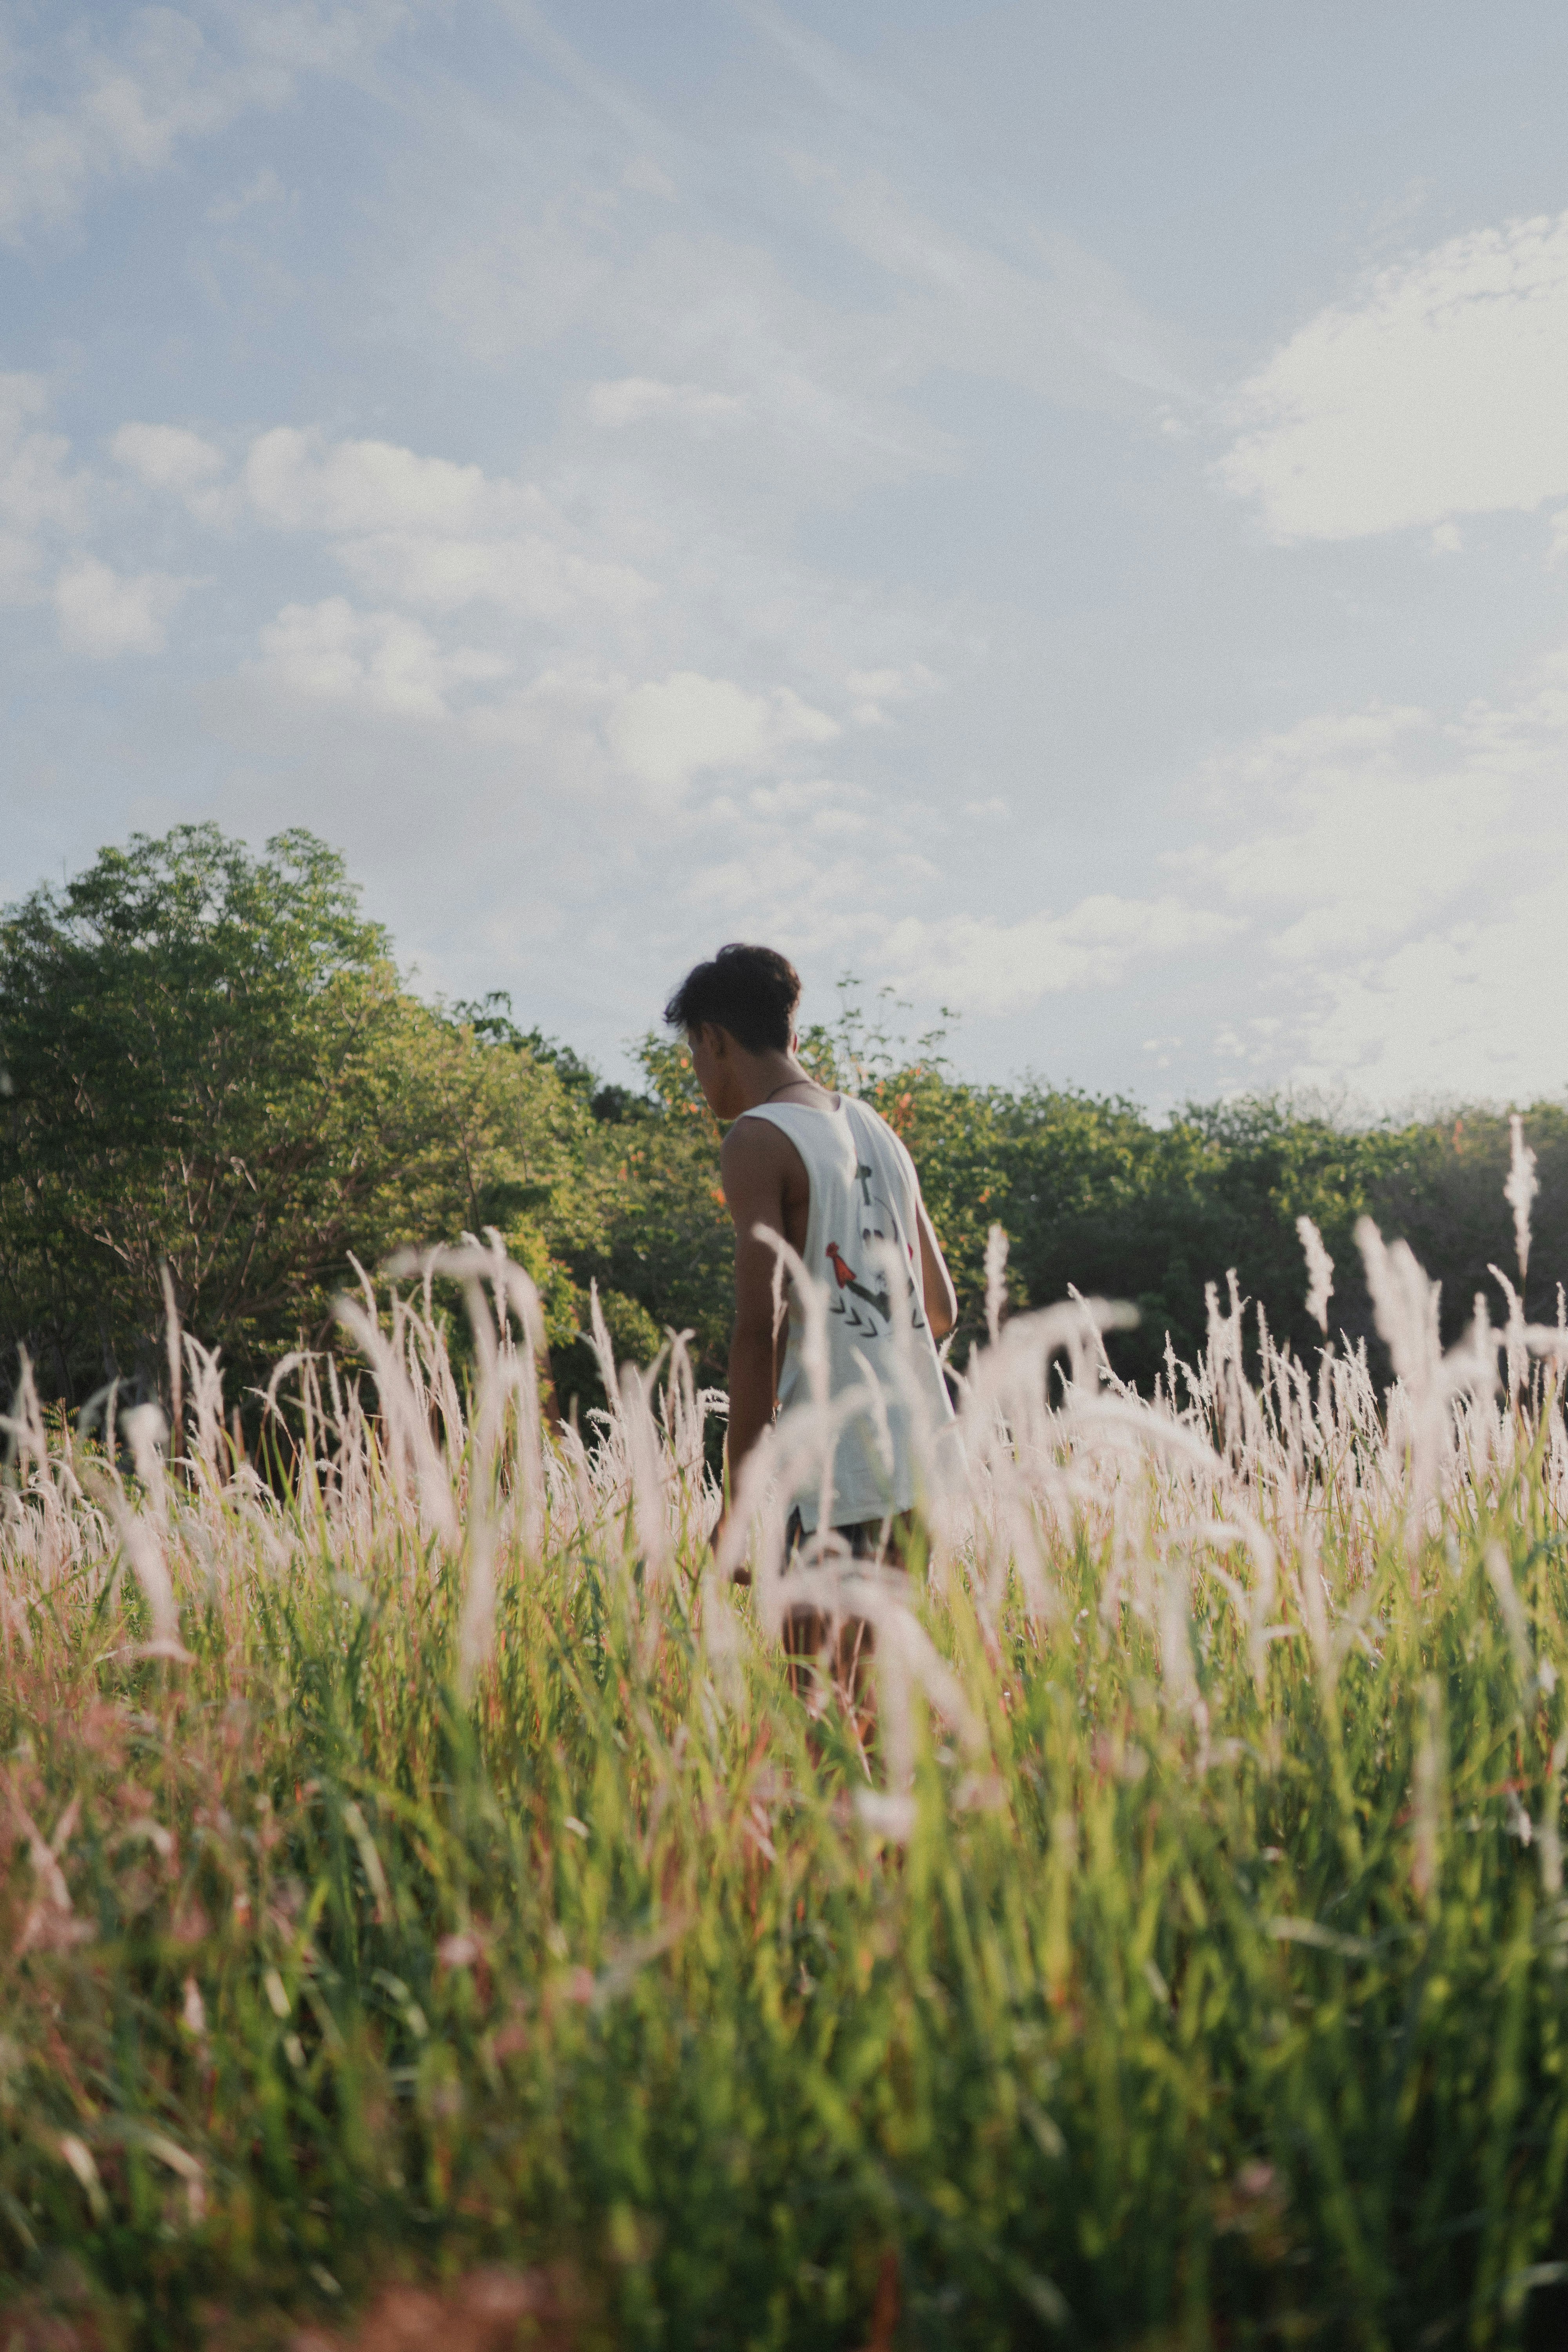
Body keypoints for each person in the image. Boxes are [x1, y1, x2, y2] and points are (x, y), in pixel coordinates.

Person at [664, 942, 958, 1680]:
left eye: (694, 1056)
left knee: (826, 1718)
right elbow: (942, 1309)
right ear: (792, 1033)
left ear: (713, 1040)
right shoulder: (878, 1130)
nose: (699, 1077)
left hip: (838, 1474)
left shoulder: (758, 1139)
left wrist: (736, 1509)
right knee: (885, 1711)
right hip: (920, 1463)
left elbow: (755, 1333)